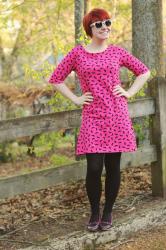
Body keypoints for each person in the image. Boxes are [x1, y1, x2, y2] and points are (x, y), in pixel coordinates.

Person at [48, 8, 150, 232]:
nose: (105, 27)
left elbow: (143, 72)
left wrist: (129, 92)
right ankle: (94, 211)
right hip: (92, 116)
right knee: (94, 167)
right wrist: (76, 98)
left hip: (116, 114)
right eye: (99, 24)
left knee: (113, 166)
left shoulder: (117, 52)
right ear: (90, 28)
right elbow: (55, 79)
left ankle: (108, 212)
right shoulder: (78, 54)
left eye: (108, 22)